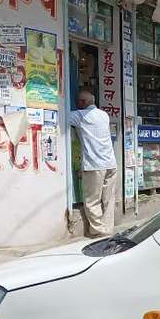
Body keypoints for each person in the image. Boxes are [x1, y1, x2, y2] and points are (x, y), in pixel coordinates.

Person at [68, 89, 118, 238]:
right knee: (108, 199)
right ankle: (108, 230)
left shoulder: (80, 116)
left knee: (92, 201)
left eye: (78, 102)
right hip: (111, 163)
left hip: (94, 165)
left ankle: (99, 231)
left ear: (82, 103)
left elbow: (61, 115)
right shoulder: (104, 115)